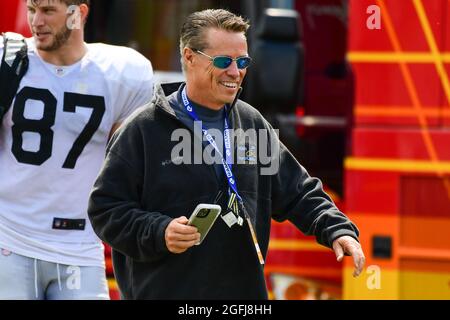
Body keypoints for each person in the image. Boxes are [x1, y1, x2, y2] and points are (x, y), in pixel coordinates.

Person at [88, 8, 365, 300]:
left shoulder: (252, 123)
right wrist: (159, 231)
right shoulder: (142, 130)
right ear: (189, 57)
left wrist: (337, 229)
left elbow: (297, 191)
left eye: (242, 61)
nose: (236, 72)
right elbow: (105, 209)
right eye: (223, 61)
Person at [0, 0, 154, 300]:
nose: (36, 21)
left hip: (79, 243)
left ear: (78, 14)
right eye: (32, 9)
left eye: (47, 10)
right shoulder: (8, 61)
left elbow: (125, 155)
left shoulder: (122, 71)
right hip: (9, 237)